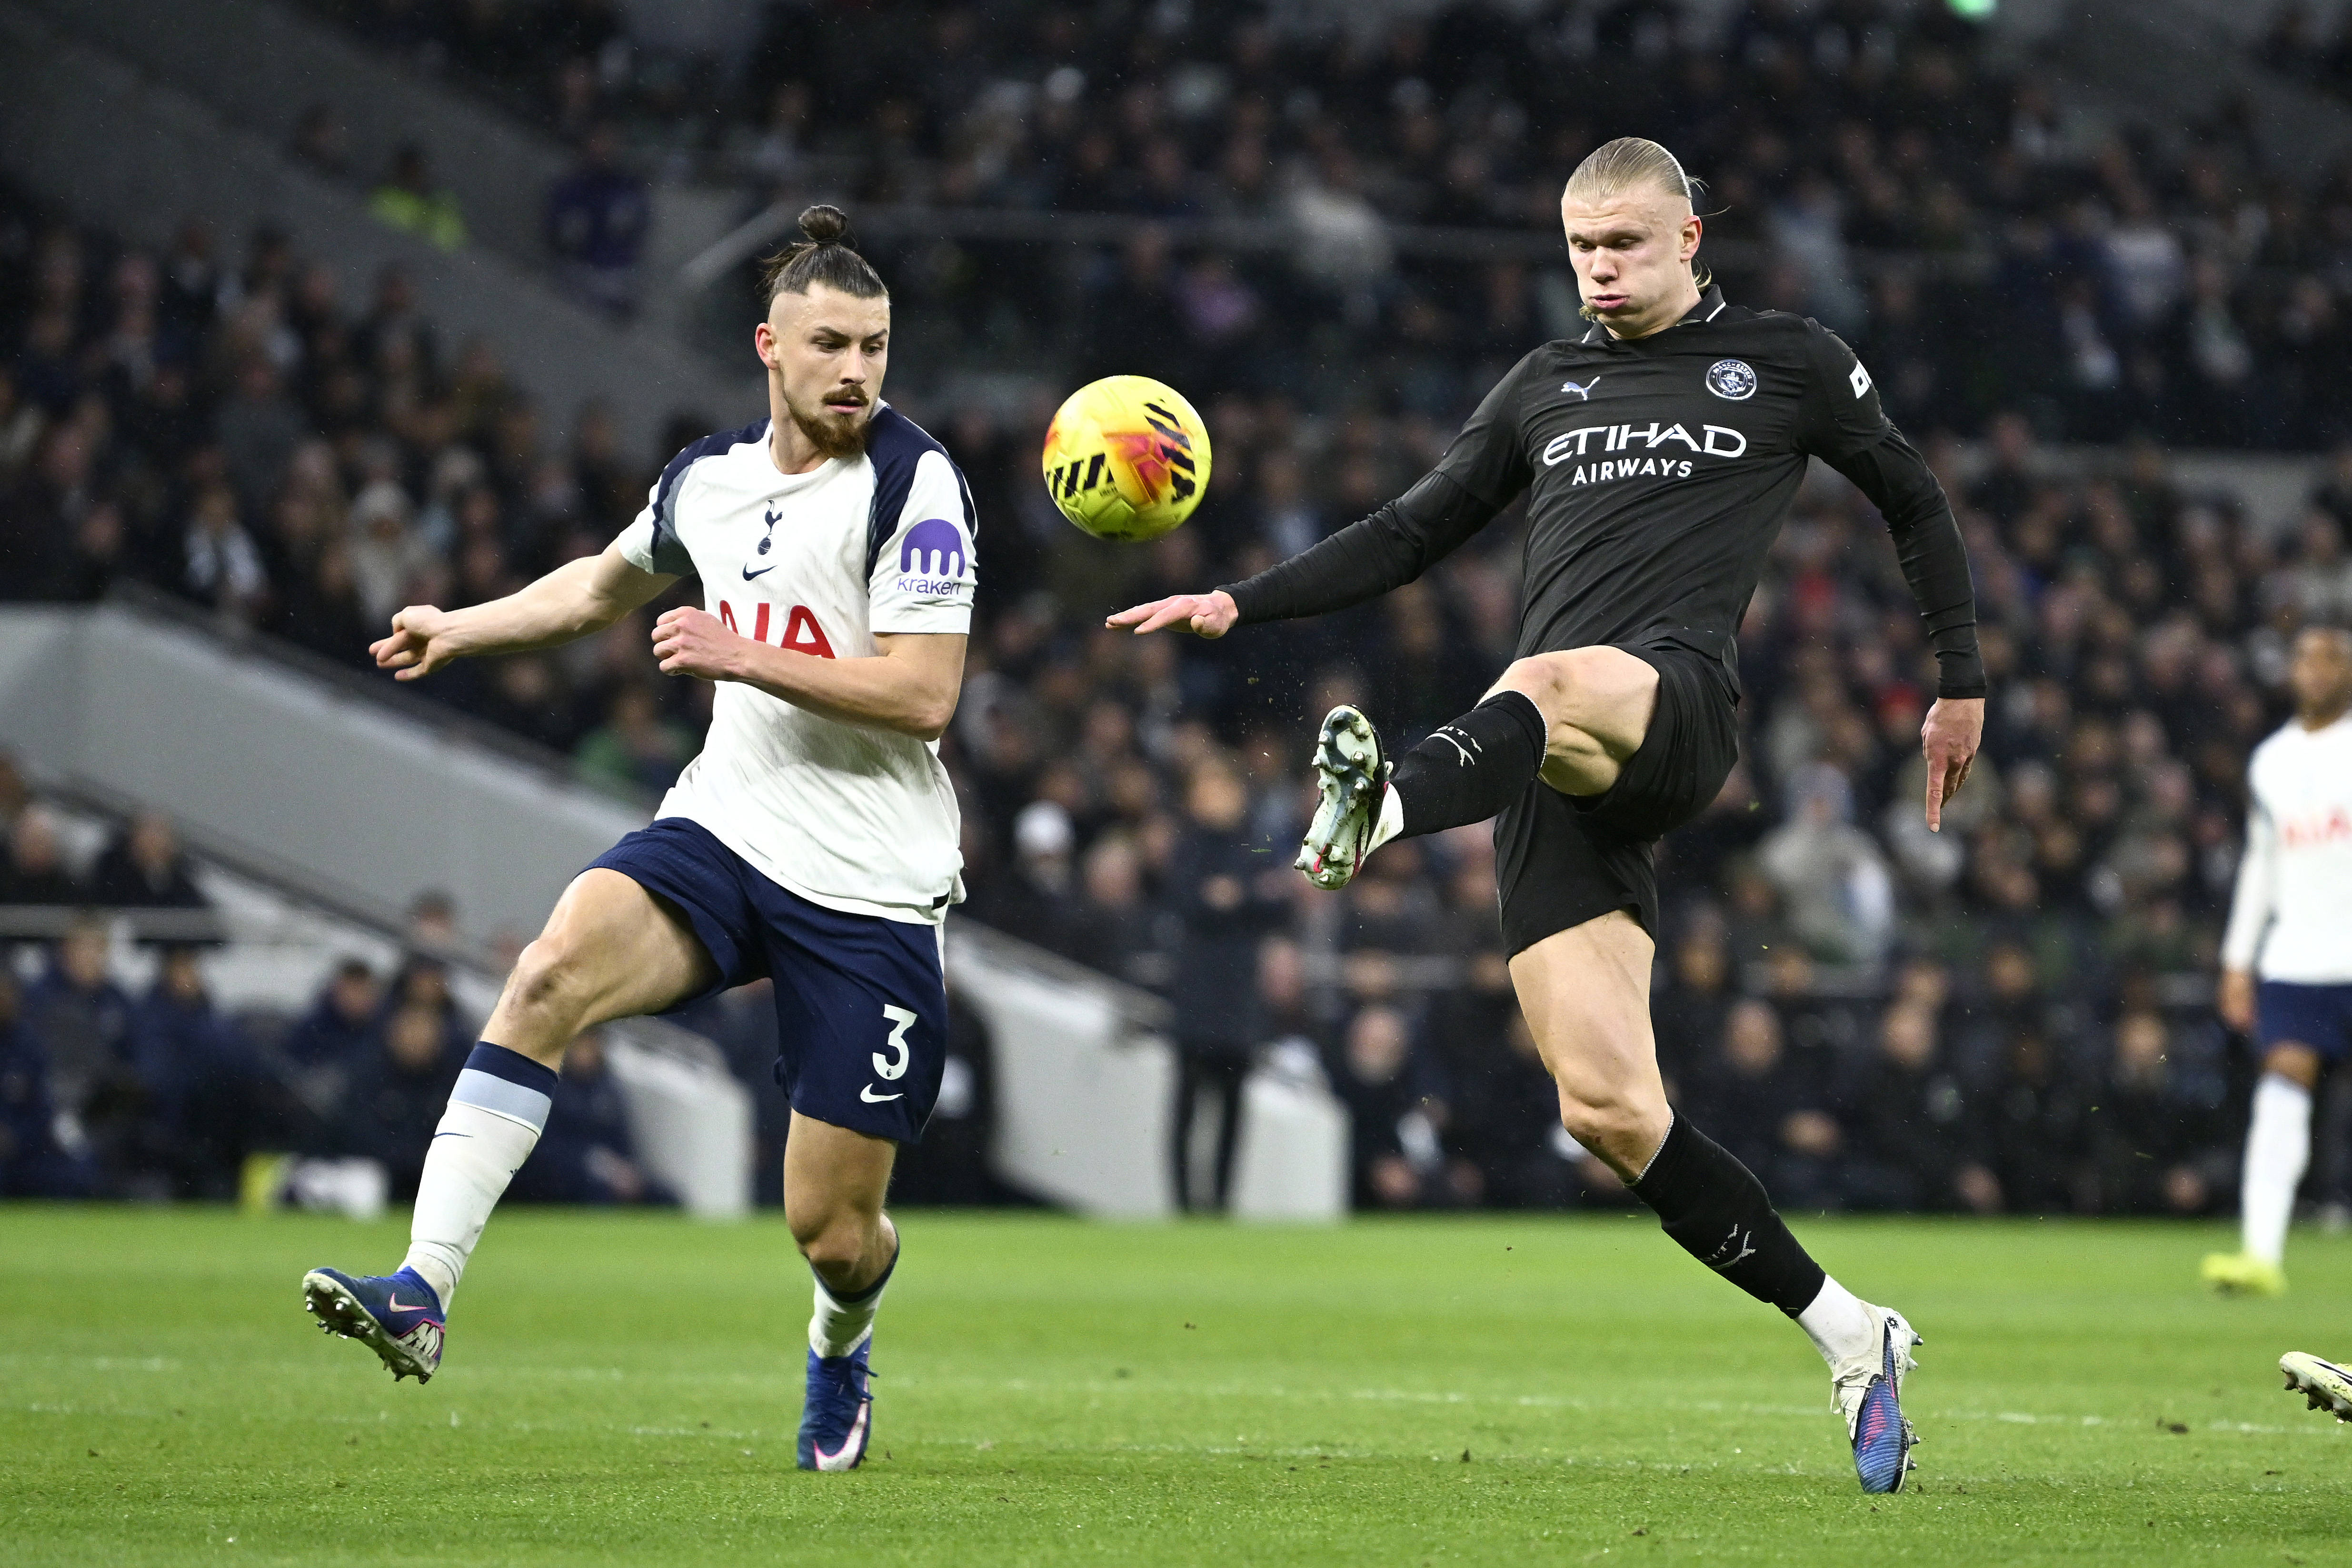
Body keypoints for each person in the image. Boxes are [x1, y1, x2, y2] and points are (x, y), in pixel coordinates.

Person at [1110, 138, 1986, 1494]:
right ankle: (1850, 1331)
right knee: (1608, 1108)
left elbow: (1912, 496)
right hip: (1547, 767)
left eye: (1626, 244)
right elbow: (1408, 530)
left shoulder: (1788, 360)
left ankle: (1382, 802)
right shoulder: (1542, 383)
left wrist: (1957, 680)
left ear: (1692, 236)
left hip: (1674, 707)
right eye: (1581, 247)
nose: (1600, 269)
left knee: (1543, 673)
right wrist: (1241, 601)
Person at [301, 206, 977, 1476]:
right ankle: (422, 1287)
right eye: (832, 344)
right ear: (767, 344)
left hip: (871, 883)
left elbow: (926, 693)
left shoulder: (914, 482)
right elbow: (603, 584)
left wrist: (744, 652)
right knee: (549, 969)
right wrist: (463, 624)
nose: (857, 373)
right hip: (724, 825)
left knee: (830, 1229)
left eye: (877, 348)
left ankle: (842, 1341)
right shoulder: (706, 479)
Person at [2202, 626, 2352, 1296]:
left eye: (2331, 659)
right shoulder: (2271, 760)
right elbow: (2262, 863)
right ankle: (2261, 1252)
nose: (2316, 669)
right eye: (2305, 658)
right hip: (2297, 954)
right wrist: (2239, 958)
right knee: (2283, 1083)